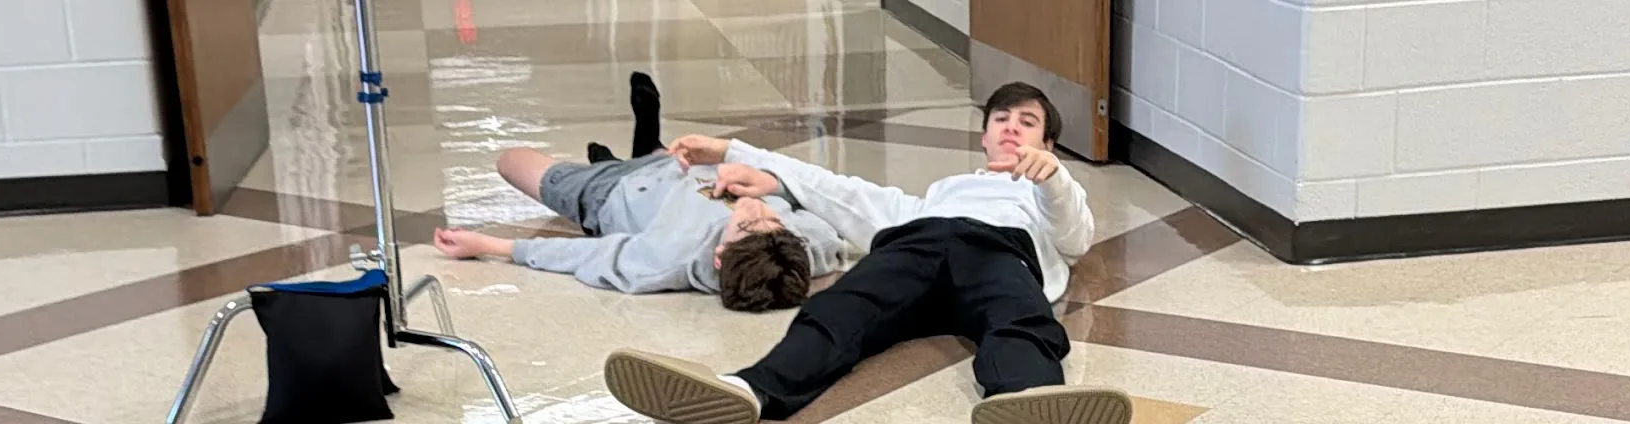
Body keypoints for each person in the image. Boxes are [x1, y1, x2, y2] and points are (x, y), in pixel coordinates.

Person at [599, 82, 1129, 424]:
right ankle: (749, 391)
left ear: (1047, 144)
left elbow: (1075, 238)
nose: (1012, 126)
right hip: (920, 240)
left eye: (1027, 122)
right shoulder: (935, 195)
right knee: (839, 309)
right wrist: (734, 152)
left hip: (1000, 251)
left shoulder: (1048, 191)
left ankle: (1028, 399)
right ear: (985, 138)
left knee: (1020, 319)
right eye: (1001, 119)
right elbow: (838, 190)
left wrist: (1054, 180)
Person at [430, 73, 848, 312]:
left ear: (719, 256)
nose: (754, 206)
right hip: (686, 164)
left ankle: (613, 160)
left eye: (746, 222)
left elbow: (586, 255)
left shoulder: (663, 262)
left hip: (613, 192)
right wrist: (772, 185)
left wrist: (489, 246)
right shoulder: (809, 247)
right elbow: (823, 200)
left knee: (510, 160)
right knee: (663, 155)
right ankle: (648, 144)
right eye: (774, 218)